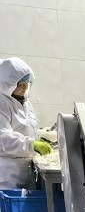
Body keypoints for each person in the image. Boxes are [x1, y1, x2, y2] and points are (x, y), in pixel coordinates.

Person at [0, 56, 52, 191]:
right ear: (7, 84)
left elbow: (27, 128)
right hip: (7, 174)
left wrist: (39, 139)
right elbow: (4, 138)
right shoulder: (2, 103)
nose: (24, 87)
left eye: (27, 83)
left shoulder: (24, 102)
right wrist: (31, 145)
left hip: (26, 170)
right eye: (20, 83)